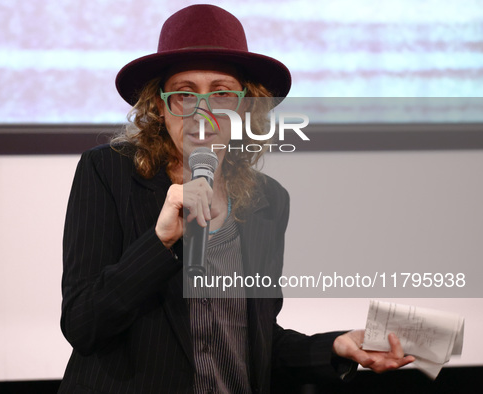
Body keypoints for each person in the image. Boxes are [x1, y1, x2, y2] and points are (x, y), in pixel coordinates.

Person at [58, 5, 414, 393]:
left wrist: (334, 346)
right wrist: (159, 243)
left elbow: (255, 341)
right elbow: (82, 323)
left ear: (246, 106)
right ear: (159, 107)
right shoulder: (108, 172)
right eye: (184, 94)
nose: (203, 112)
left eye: (222, 93)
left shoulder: (267, 200)